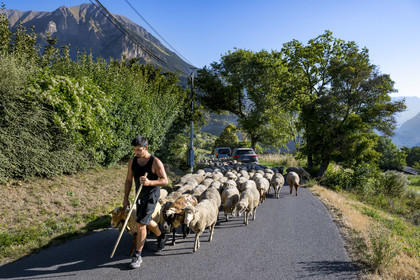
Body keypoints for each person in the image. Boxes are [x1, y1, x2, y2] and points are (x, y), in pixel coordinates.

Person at [123, 136, 168, 269]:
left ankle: (137, 256)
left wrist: (150, 182)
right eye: (134, 149)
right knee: (145, 220)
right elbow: (129, 180)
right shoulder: (132, 161)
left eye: (139, 150)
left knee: (141, 224)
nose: (136, 152)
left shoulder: (155, 162)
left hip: (151, 196)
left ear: (146, 148)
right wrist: (125, 198)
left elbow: (165, 180)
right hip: (139, 195)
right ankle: (161, 235)